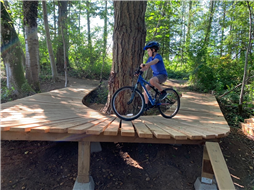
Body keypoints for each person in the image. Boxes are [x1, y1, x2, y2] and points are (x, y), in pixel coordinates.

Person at [140, 41, 168, 111]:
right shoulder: (149, 59)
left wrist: (145, 64)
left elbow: (155, 61)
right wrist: (140, 71)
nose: (148, 52)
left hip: (162, 75)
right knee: (146, 88)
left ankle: (163, 92)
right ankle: (147, 104)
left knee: (152, 80)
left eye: (149, 51)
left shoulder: (158, 56)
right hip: (155, 77)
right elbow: (146, 67)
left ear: (153, 50)